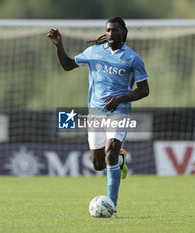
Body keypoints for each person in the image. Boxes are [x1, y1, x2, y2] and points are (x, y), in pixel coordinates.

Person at [48, 17, 149, 213]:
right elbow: (68, 65)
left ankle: (111, 205)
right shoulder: (93, 52)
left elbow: (144, 90)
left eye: (115, 30)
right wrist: (58, 45)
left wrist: (120, 99)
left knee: (109, 153)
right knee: (98, 164)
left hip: (119, 112)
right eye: (108, 30)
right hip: (95, 113)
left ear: (124, 32)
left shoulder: (133, 58)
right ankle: (121, 160)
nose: (111, 33)